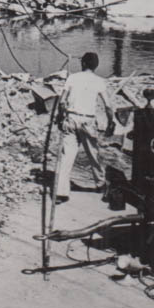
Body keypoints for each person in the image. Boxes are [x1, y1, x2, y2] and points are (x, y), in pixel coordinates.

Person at [54, 52, 116, 204]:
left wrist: (60, 116)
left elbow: (62, 102)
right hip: (88, 120)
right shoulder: (99, 81)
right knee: (93, 154)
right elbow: (108, 106)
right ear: (96, 66)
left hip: (71, 118)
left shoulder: (72, 78)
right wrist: (111, 121)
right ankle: (100, 184)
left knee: (67, 156)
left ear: (83, 64)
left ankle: (61, 192)